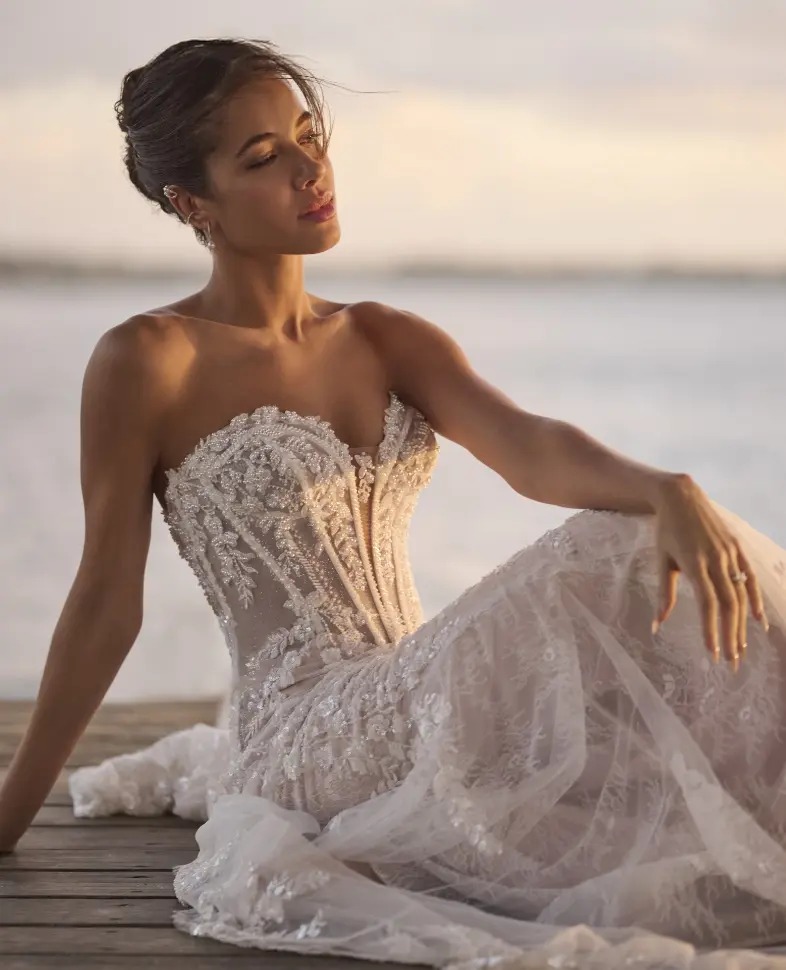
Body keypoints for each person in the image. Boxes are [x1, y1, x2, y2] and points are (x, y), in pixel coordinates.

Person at [2, 36, 786, 970]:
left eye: (308, 136)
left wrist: (668, 488)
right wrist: (11, 813)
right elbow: (104, 600)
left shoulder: (382, 336)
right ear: (191, 203)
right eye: (264, 157)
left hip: (416, 696)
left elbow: (530, 449)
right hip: (305, 739)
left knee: (649, 544)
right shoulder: (149, 359)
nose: (310, 169)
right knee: (605, 551)